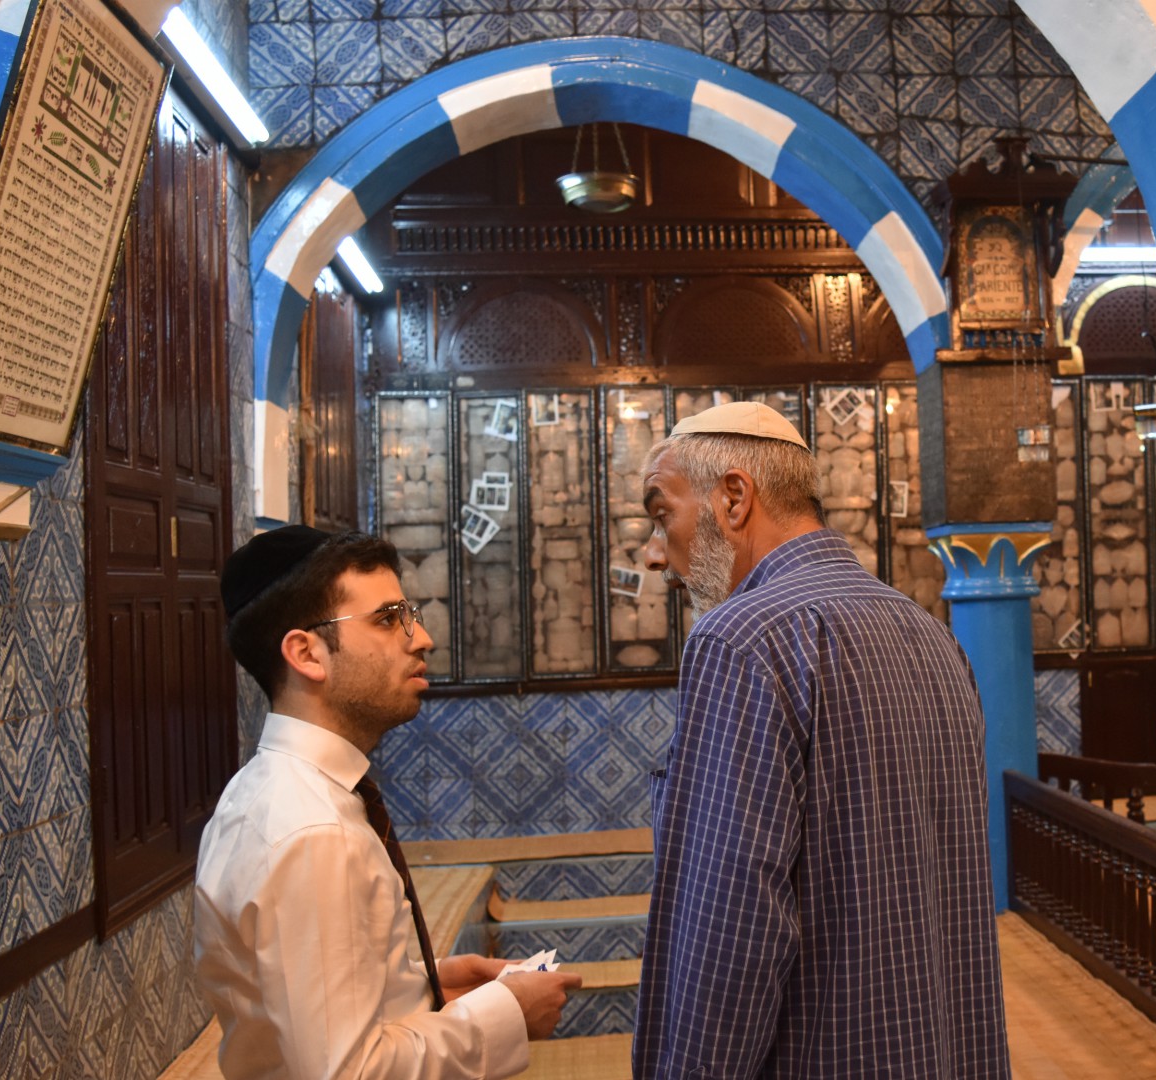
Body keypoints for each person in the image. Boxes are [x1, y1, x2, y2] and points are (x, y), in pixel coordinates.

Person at [632, 402, 1011, 1079]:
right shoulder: (930, 636)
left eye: (662, 514)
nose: (657, 554)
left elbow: (732, 925)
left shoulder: (742, 640)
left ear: (734, 496)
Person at [195, 526, 581, 1079]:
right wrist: (507, 1013)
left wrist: (425, 981)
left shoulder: (277, 790)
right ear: (307, 653)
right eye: (387, 619)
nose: (421, 637)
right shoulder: (313, 833)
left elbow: (306, 1004)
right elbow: (352, 1072)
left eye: (411, 614)